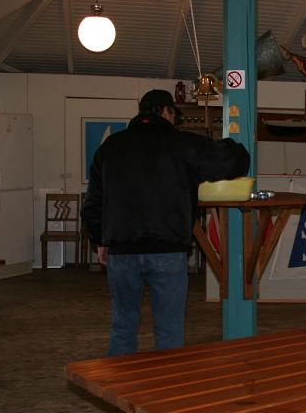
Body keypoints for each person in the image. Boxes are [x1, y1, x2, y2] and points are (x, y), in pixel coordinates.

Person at [82, 89, 250, 356]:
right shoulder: (183, 143)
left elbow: (92, 205)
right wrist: (233, 143)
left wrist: (100, 240)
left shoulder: (110, 147)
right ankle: (167, 382)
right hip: (168, 250)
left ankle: (118, 380)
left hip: (121, 250)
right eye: (174, 115)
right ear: (166, 111)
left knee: (123, 326)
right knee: (169, 331)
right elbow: (235, 162)